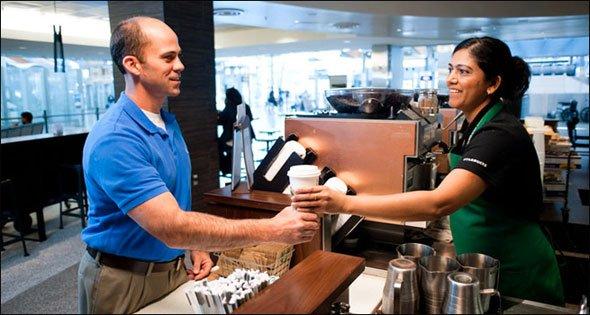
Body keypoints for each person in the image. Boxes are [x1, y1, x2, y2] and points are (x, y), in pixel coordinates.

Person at [292, 36, 564, 305]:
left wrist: (344, 203)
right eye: (451, 69)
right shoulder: (475, 123)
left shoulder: (499, 133)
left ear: (493, 84)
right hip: (484, 262)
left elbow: (439, 202)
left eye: (463, 71)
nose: (451, 79)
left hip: (516, 273)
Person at [79, 16, 319, 314]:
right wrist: (273, 229)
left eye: (178, 55)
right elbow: (171, 227)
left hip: (173, 268)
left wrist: (192, 242)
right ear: (133, 64)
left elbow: (171, 204)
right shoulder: (116, 138)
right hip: (123, 279)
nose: (180, 65)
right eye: (168, 57)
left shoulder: (166, 121)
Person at [217, 87, 255, 175]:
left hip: (234, 139)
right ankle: (248, 170)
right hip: (247, 139)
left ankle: (226, 168)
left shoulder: (230, 107)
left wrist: (218, 114)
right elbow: (250, 119)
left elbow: (222, 119)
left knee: (217, 144)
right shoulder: (245, 106)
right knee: (230, 149)